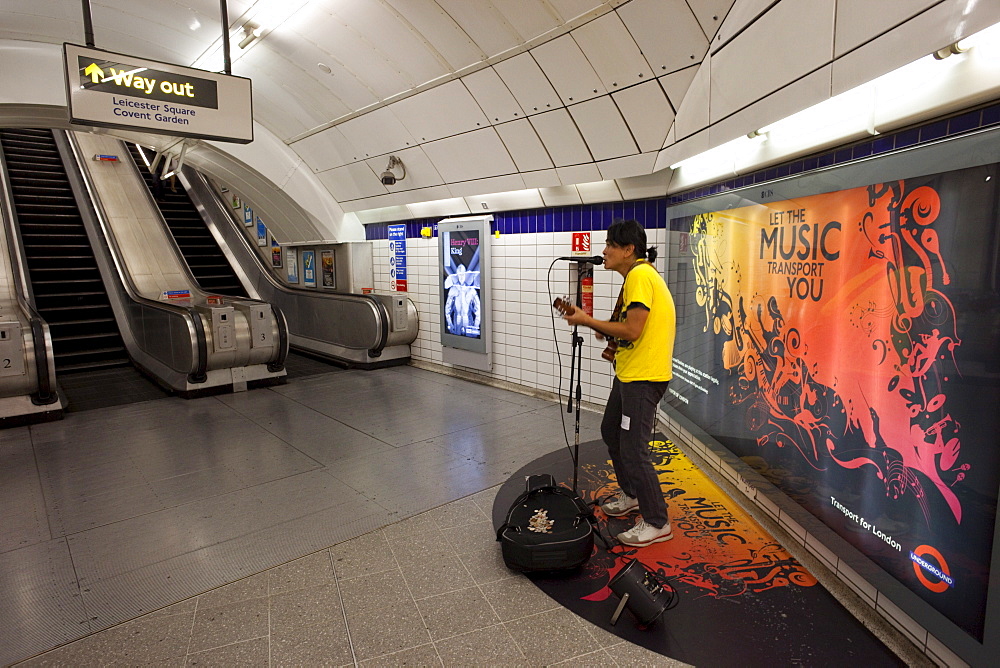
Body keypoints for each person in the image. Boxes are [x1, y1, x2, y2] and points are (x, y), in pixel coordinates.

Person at [562, 219, 676, 547]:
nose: (604, 250)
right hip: (629, 374)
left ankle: (658, 522)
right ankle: (632, 495)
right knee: (611, 432)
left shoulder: (640, 275)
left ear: (629, 250)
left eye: (611, 245)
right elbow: (618, 331)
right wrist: (591, 322)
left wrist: (585, 319)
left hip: (644, 378)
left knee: (634, 450)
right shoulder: (635, 278)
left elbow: (633, 331)